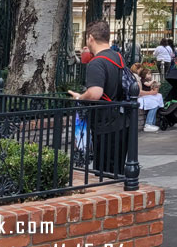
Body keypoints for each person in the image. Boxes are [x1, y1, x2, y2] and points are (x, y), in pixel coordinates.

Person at [68, 20, 131, 175]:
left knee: (103, 173)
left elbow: (95, 92)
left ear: (90, 38)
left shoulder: (97, 62)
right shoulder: (118, 57)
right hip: (122, 120)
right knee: (116, 171)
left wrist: (80, 97)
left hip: (105, 123)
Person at [133, 63, 165, 132]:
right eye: (148, 74)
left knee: (158, 98)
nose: (150, 75)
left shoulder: (143, 79)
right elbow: (146, 86)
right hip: (144, 96)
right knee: (154, 104)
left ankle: (152, 123)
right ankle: (148, 124)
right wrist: (152, 83)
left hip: (147, 95)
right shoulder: (142, 80)